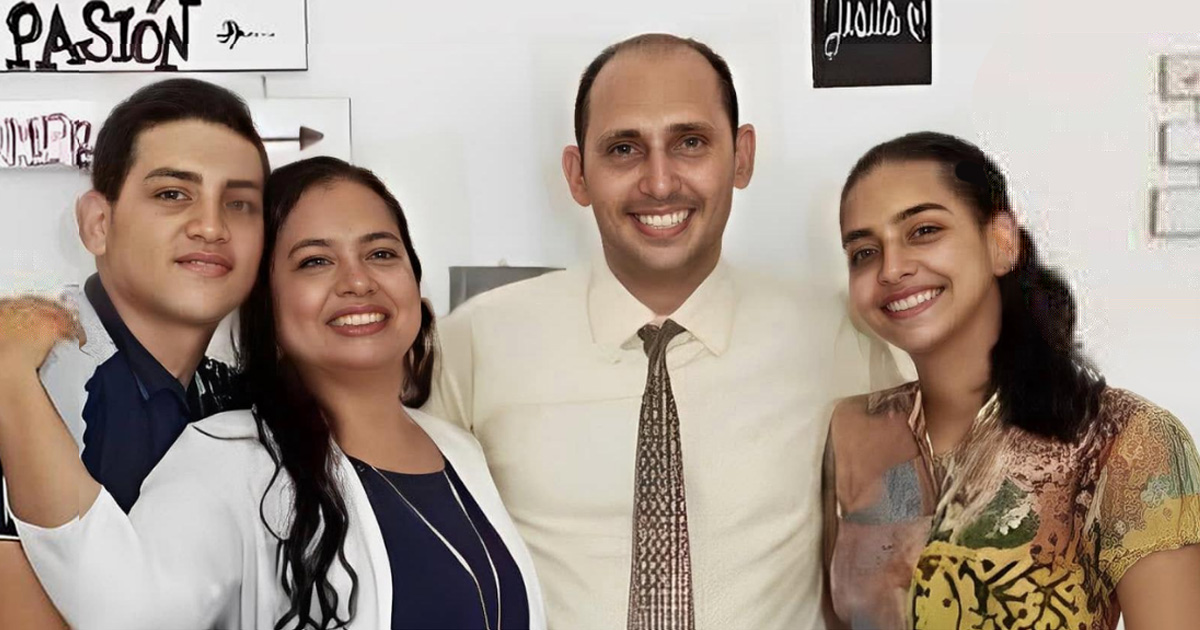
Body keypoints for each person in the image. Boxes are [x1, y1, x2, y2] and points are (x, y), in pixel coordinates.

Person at [424, 33, 896, 630]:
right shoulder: (475, 344)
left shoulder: (838, 339)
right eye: (624, 149)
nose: (660, 182)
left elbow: (898, 546)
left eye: (690, 142)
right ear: (577, 174)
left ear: (741, 156)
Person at [0, 157, 546, 629]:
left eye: (381, 253)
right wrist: (11, 378)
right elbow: (122, 611)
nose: (358, 281)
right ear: (266, 305)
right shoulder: (232, 456)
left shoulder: (459, 449)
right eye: (314, 261)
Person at [824, 131, 1200, 629]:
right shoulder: (852, 431)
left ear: (1001, 242)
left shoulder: (1125, 442)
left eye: (923, 230)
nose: (891, 269)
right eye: (865, 252)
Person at [0, 78, 268, 629]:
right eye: (172, 194)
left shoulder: (239, 398)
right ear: (98, 223)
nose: (212, 226)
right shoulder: (21, 376)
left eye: (239, 203)